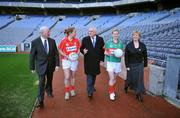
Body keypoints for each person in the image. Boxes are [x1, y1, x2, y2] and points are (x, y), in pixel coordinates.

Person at [29, 26, 59, 108]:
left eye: (49, 31)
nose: (49, 33)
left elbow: (56, 53)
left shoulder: (52, 41)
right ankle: (41, 101)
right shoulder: (35, 42)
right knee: (41, 83)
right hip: (40, 66)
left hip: (51, 66)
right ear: (42, 33)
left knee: (49, 80)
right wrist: (32, 67)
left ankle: (49, 91)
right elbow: (32, 55)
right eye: (48, 32)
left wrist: (57, 64)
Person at [80, 26, 105, 98]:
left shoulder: (100, 39)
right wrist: (83, 51)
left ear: (95, 32)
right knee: (89, 76)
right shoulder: (85, 39)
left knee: (94, 75)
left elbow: (102, 50)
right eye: (89, 31)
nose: (89, 32)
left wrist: (102, 60)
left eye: (91, 31)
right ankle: (89, 91)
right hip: (88, 61)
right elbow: (81, 48)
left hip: (96, 61)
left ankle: (92, 86)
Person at [124, 31, 148, 102]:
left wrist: (145, 65)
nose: (135, 36)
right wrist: (127, 66)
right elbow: (126, 57)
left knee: (139, 79)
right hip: (131, 65)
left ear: (139, 37)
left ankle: (138, 94)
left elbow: (145, 56)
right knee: (130, 78)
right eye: (134, 35)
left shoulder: (143, 45)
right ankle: (126, 86)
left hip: (140, 64)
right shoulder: (128, 45)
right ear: (132, 36)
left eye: (137, 35)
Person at [58, 27, 80, 101]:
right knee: (67, 76)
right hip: (66, 60)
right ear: (70, 33)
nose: (75, 33)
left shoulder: (76, 40)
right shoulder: (63, 41)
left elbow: (78, 49)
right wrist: (66, 56)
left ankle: (72, 90)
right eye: (74, 32)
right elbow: (60, 50)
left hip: (74, 61)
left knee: (73, 76)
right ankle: (67, 92)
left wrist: (77, 54)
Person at [104, 28, 124, 101]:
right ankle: (111, 93)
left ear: (118, 35)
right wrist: (109, 54)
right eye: (114, 34)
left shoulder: (121, 43)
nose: (115, 35)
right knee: (112, 78)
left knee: (115, 79)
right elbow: (105, 52)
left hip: (117, 63)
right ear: (112, 34)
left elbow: (122, 54)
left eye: (117, 34)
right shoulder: (108, 42)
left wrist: (119, 55)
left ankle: (111, 89)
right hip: (110, 62)